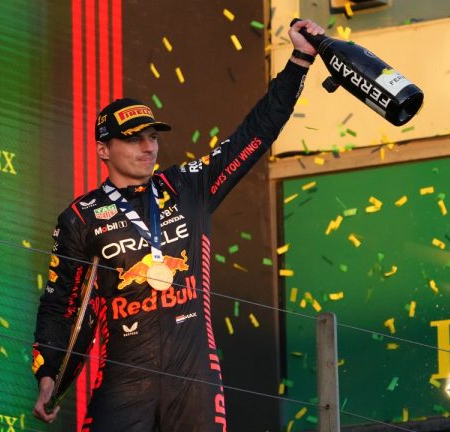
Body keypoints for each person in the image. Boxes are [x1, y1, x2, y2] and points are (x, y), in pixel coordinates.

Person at [32, 19, 324, 432]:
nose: (148, 146)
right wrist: (49, 377)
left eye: (152, 136)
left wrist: (299, 60)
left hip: (195, 378)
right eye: (134, 138)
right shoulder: (80, 216)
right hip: (124, 379)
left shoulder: (188, 186)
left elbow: (254, 134)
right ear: (103, 149)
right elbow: (61, 304)